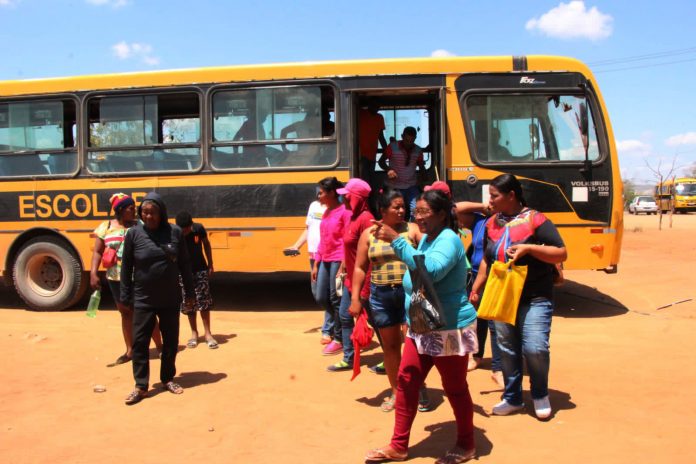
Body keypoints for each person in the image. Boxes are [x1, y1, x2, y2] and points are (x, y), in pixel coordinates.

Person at [365, 189, 478, 464]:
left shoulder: (449, 239)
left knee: (454, 387)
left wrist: (398, 242)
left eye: (424, 212)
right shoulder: (428, 238)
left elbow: (432, 271)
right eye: (417, 212)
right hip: (422, 324)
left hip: (448, 328)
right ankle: (398, 445)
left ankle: (466, 444)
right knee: (406, 381)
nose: (418, 217)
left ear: (441, 214)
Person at [471, 174, 567, 420]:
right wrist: (476, 288)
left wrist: (529, 248)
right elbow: (486, 259)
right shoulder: (491, 223)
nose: (490, 200)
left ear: (511, 196)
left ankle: (539, 394)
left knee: (535, 348)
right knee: (507, 349)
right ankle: (512, 398)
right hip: (502, 294)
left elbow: (561, 252)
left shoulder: (536, 219)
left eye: (495, 196)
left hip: (535, 296)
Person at [350, 187, 426, 412]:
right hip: (381, 296)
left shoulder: (412, 230)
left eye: (403, 206)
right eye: (397, 207)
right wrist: (355, 298)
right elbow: (360, 268)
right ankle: (396, 392)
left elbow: (426, 259)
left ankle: (418, 389)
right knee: (391, 348)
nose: (402, 210)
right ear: (382, 210)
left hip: (410, 295)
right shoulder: (369, 234)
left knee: (414, 344)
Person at [425, 181, 503, 387]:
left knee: (495, 323)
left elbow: (452, 208)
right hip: (476, 276)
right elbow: (455, 209)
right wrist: (481, 206)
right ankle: (477, 356)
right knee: (479, 320)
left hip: (495, 277)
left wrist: (487, 209)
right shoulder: (477, 220)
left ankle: (498, 367)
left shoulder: (497, 222)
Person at [120, 192, 196, 405]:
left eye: (153, 212)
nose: (149, 216)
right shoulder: (134, 234)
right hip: (143, 298)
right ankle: (141, 386)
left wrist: (189, 294)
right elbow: (126, 267)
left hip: (170, 298)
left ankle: (168, 378)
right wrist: (125, 296)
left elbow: (184, 265)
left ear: (161, 213)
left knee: (171, 341)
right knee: (141, 342)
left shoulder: (174, 232)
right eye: (145, 212)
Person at [90, 193, 162, 366]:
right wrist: (93, 273)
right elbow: (97, 252)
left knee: (146, 312)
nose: (134, 211)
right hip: (115, 278)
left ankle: (160, 346)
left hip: (138, 277)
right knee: (125, 313)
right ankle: (130, 350)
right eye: (130, 208)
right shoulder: (105, 227)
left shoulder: (141, 226)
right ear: (120, 210)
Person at [326, 178, 374, 372]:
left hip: (364, 280)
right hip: (350, 278)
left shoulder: (366, 219)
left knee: (377, 321)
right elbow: (350, 246)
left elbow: (369, 257)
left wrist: (365, 289)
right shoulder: (352, 217)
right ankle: (348, 357)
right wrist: (343, 266)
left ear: (356, 198)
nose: (343, 199)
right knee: (346, 316)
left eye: (347, 196)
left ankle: (390, 355)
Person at [311, 177, 350, 356]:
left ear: (332, 193)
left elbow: (347, 240)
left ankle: (339, 337)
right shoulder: (326, 212)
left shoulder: (344, 212)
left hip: (338, 260)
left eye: (321, 192)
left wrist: (344, 263)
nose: (319, 196)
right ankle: (342, 330)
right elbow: (323, 239)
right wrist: (316, 262)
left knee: (336, 298)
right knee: (321, 297)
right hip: (325, 260)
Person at [285, 191, 329, 343]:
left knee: (325, 293)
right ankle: (335, 322)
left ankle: (328, 329)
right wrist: (296, 245)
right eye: (318, 192)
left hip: (326, 255)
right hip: (312, 254)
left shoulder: (334, 209)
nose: (319, 195)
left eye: (322, 192)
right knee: (317, 293)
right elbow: (308, 229)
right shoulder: (313, 206)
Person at [175, 211, 218, 350]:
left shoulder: (199, 229)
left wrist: (210, 264)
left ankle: (208, 334)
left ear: (191, 225)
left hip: (200, 269)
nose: (184, 231)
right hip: (183, 272)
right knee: (189, 303)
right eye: (182, 229)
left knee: (203, 301)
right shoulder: (175, 233)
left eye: (186, 229)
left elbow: (206, 244)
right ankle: (194, 333)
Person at [378, 126, 426, 220]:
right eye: (406, 140)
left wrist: (424, 178)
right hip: (395, 186)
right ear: (402, 136)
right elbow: (381, 161)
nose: (408, 143)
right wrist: (389, 170)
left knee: (416, 211)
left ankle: (414, 232)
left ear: (415, 138)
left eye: (411, 141)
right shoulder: (392, 147)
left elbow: (421, 166)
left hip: (411, 186)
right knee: (396, 212)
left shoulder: (418, 150)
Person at [358, 100, 388, 193]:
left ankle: (370, 202)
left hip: (372, 154)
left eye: (378, 106)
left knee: (370, 180)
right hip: (360, 154)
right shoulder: (361, 113)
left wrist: (387, 151)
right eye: (374, 105)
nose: (376, 108)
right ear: (369, 105)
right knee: (364, 181)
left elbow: (381, 136)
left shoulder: (379, 117)